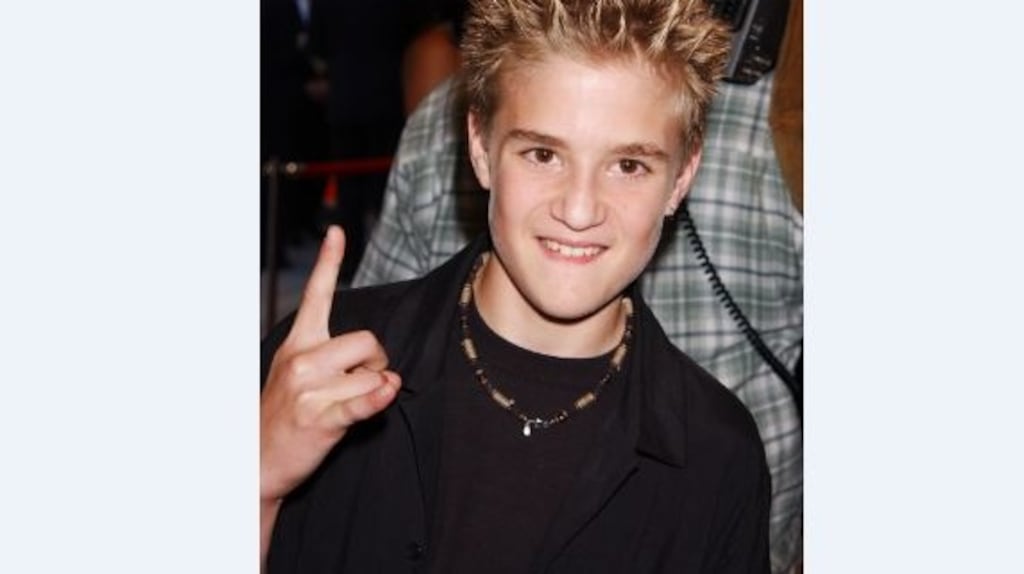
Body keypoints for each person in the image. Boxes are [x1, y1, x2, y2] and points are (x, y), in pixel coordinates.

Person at [261, 0, 771, 571]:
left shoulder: (718, 452)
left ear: (682, 177)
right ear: (480, 148)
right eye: (543, 154)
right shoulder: (318, 370)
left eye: (629, 166)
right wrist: (257, 486)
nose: (579, 210)